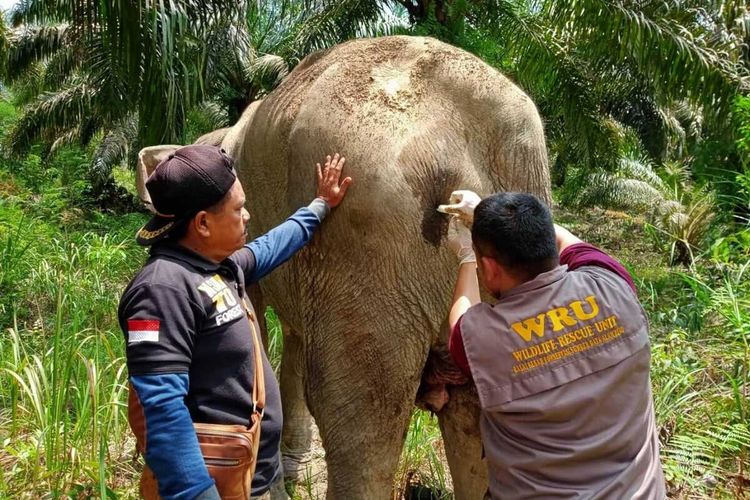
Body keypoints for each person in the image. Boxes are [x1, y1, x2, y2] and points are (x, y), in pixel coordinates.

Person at [118, 145, 351, 499]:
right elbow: (161, 411)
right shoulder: (160, 291)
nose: (247, 217)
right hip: (215, 488)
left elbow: (269, 247)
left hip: (254, 475)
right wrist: (197, 493)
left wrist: (320, 206)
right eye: (238, 209)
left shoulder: (218, 267)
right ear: (203, 223)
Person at [439, 191, 665, 499]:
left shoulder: (484, 340)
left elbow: (460, 319)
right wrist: (482, 211)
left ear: (489, 269)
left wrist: (467, 256)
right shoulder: (614, 285)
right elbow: (568, 242)